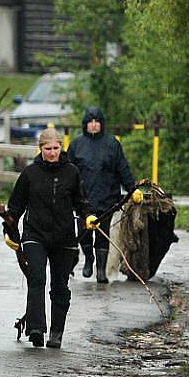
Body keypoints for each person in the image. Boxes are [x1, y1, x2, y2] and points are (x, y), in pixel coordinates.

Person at [6, 128, 92, 349]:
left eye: (55, 148)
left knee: (60, 285)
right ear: (40, 149)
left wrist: (89, 216)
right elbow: (15, 206)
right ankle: (36, 328)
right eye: (48, 149)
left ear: (60, 148)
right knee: (37, 278)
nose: (52, 153)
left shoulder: (71, 172)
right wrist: (9, 229)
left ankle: (56, 332)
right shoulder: (30, 173)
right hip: (35, 234)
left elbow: (80, 201)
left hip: (64, 237)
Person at [67, 106, 136, 284]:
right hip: (83, 199)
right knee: (84, 232)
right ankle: (89, 259)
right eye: (90, 122)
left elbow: (123, 169)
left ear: (102, 124)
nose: (94, 125)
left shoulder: (112, 144)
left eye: (97, 121)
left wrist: (132, 189)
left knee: (103, 233)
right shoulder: (76, 145)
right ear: (85, 124)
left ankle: (101, 271)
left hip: (107, 197)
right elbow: (67, 172)